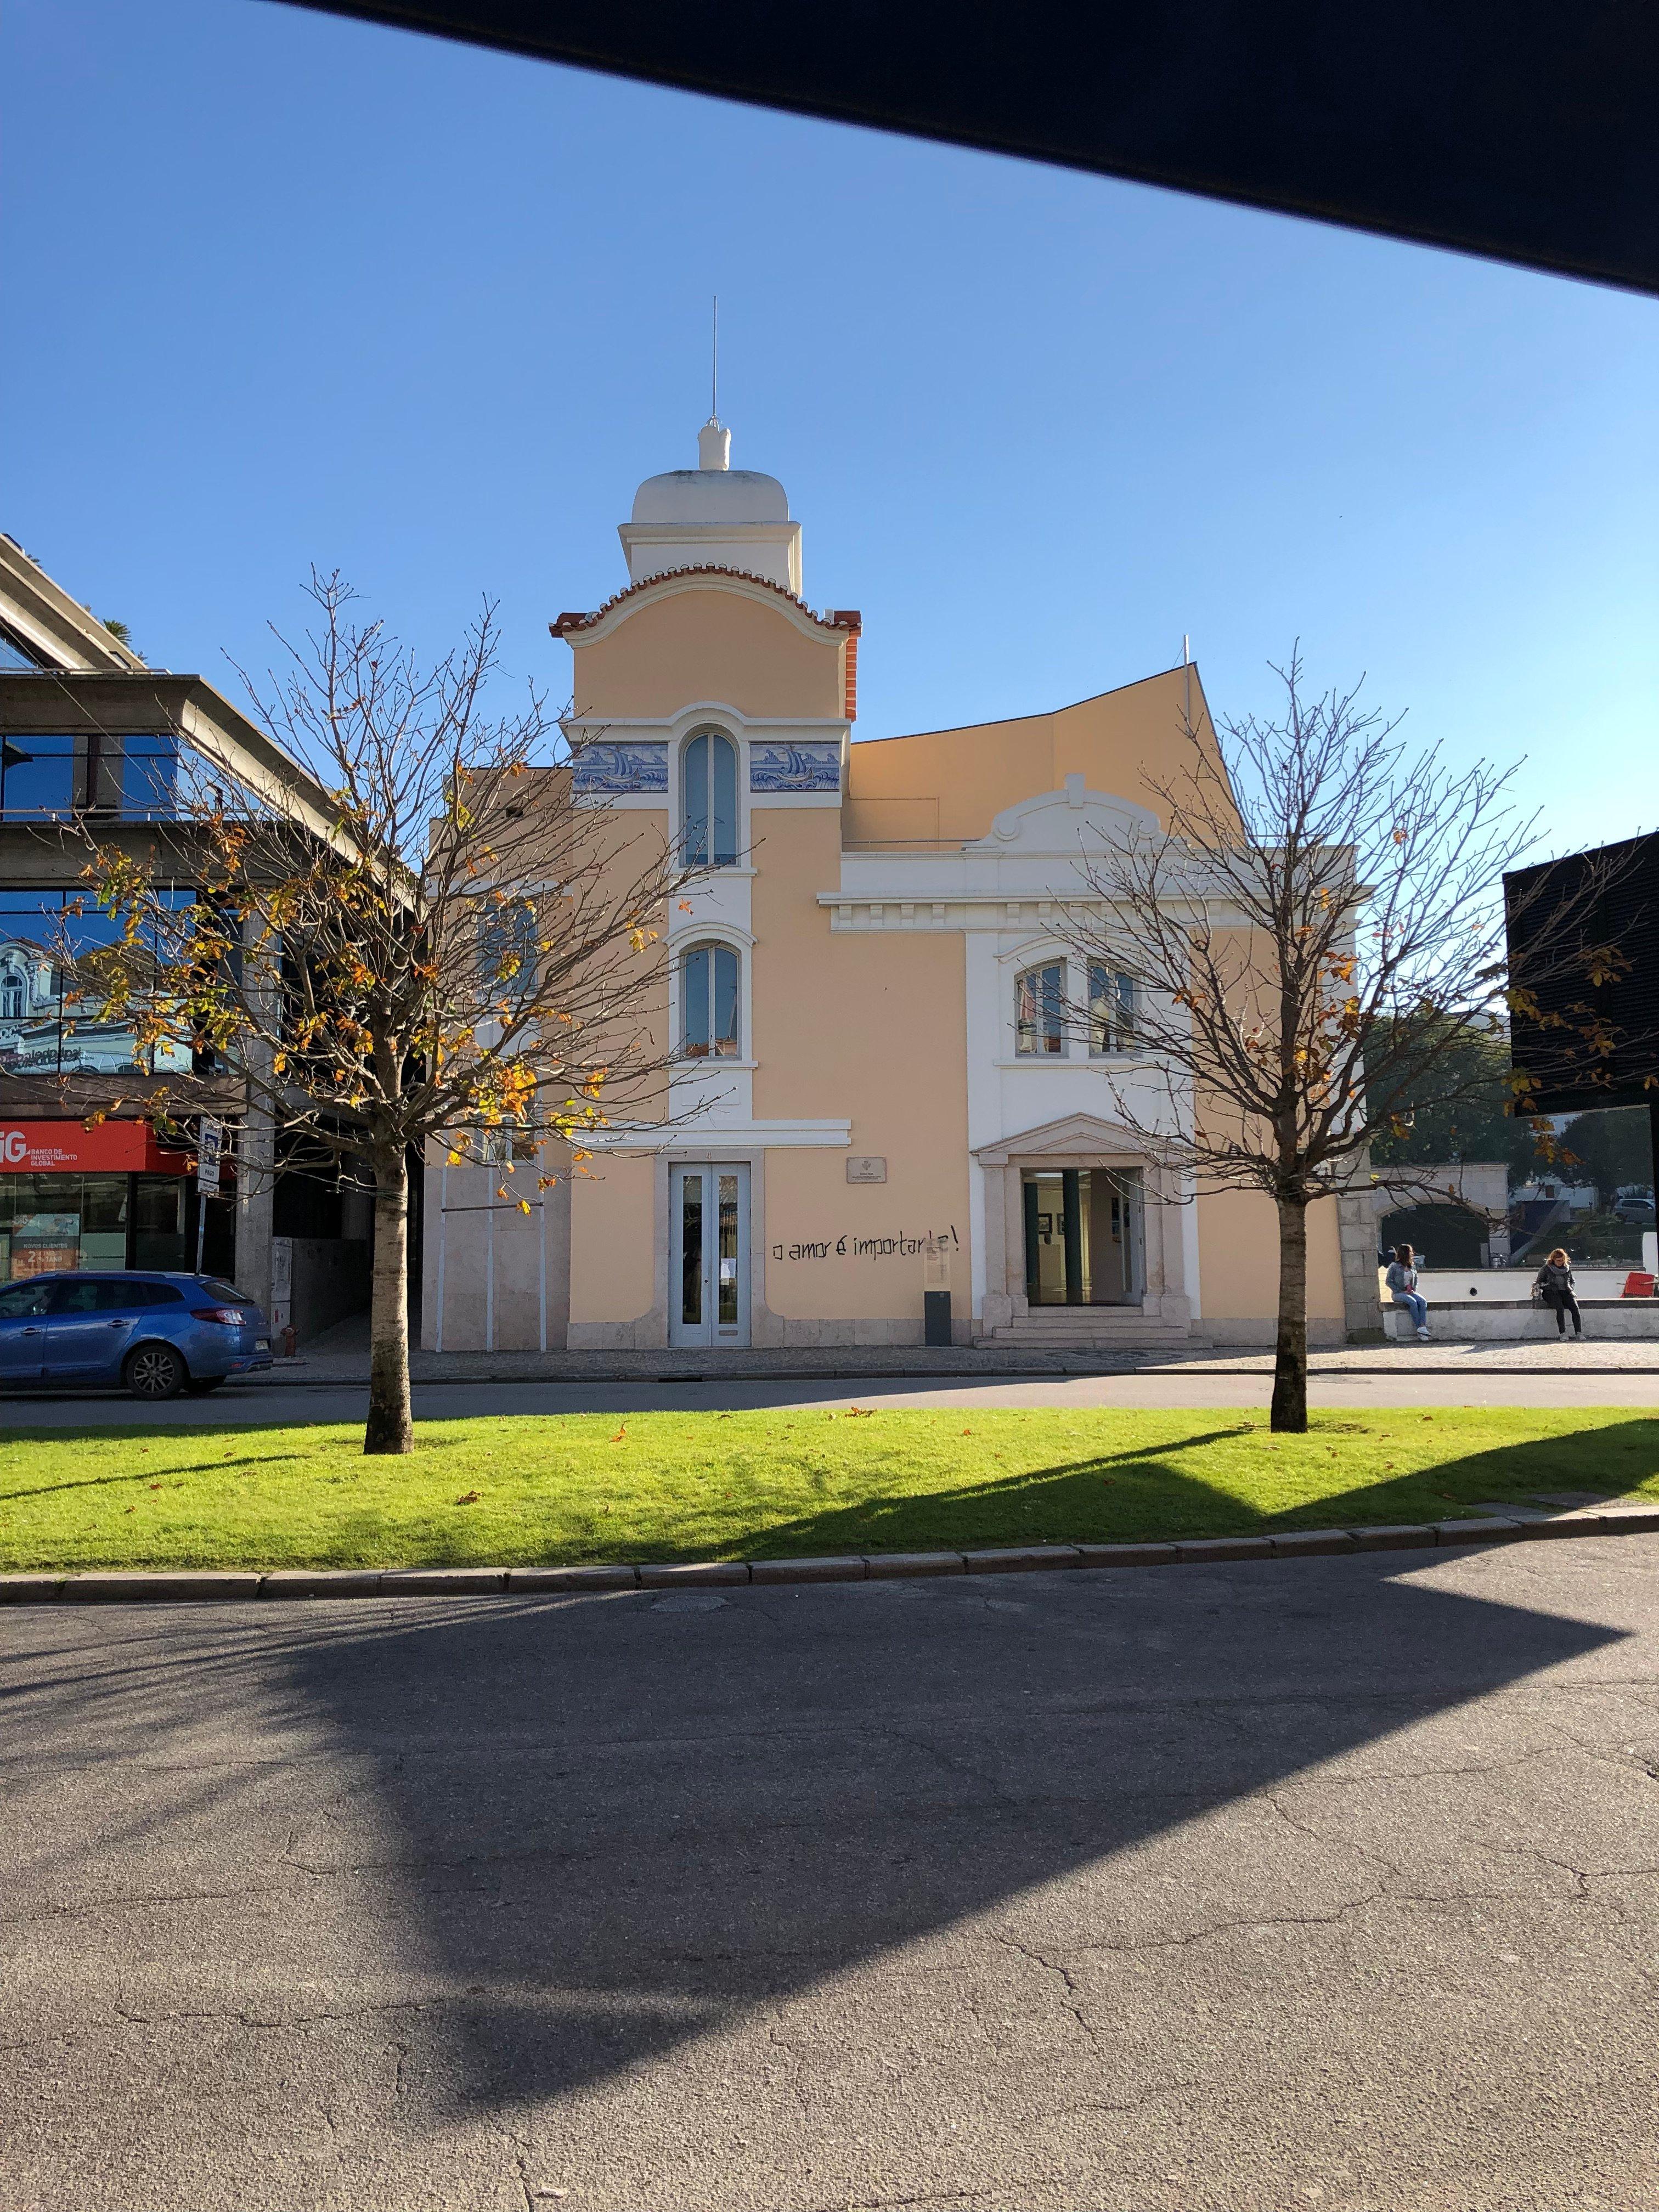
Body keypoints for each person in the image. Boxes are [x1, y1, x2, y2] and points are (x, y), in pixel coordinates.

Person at [1534, 1247, 1583, 1338]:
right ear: (1553, 1260)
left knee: (1575, 1308)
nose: (1561, 1262)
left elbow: (1572, 1281)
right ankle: (1563, 1333)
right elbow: (1539, 1283)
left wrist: (1571, 1288)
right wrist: (1550, 1286)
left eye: (1562, 1260)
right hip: (1551, 1293)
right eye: (1558, 1261)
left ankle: (1579, 1333)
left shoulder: (1567, 1269)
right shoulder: (1546, 1269)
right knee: (1560, 1308)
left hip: (1566, 1291)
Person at [1385, 1243, 1430, 1339]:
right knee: (1412, 1302)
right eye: (1410, 1252)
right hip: (1398, 1293)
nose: (1413, 1254)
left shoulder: (1412, 1266)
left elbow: (1416, 1279)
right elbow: (1388, 1282)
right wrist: (1400, 1291)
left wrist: (1413, 1289)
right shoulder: (1394, 1266)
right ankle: (1420, 1329)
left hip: (1410, 1292)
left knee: (1422, 1301)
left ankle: (1422, 1326)